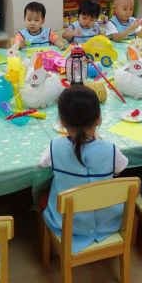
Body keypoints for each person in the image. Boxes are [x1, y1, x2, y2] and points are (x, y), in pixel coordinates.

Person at [39, 85, 128, 253]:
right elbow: (118, 171)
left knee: (43, 193)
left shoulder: (55, 146)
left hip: (66, 223)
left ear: (62, 122)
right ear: (98, 119)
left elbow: (43, 163)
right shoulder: (111, 150)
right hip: (107, 221)